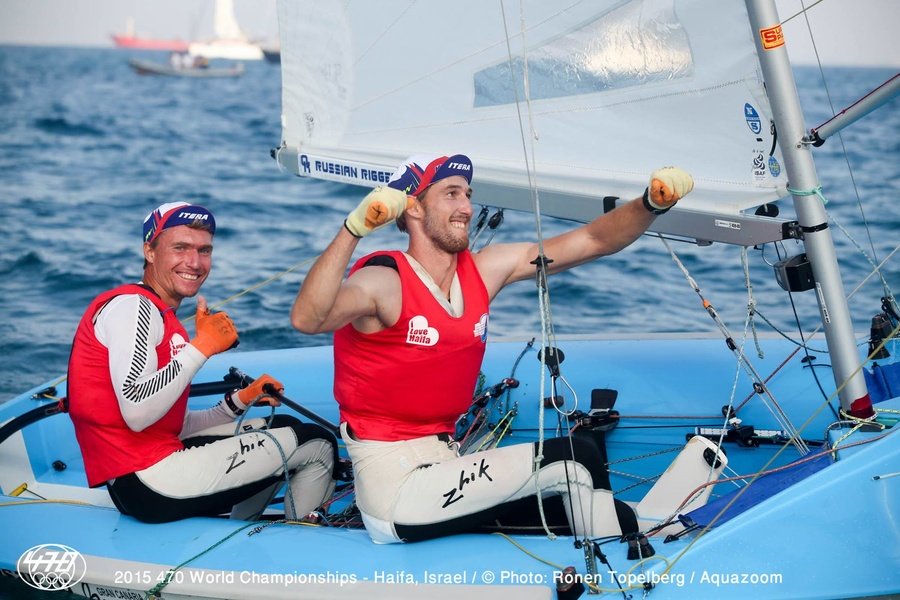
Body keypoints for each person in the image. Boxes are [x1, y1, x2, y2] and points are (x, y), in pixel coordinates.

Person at [291, 155, 693, 543]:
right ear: (413, 208)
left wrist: (650, 204)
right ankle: (620, 580)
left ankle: (638, 536)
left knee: (582, 511)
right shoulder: (384, 281)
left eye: (468, 194)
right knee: (578, 458)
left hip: (445, 471)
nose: (466, 206)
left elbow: (592, 239)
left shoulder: (483, 271)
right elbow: (309, 319)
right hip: (396, 494)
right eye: (451, 194)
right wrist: (353, 229)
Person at [68, 201, 337, 524]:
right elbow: (138, 412)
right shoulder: (134, 309)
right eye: (180, 248)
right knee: (318, 443)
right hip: (149, 481)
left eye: (204, 250)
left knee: (284, 427)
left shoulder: (158, 315)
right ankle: (301, 548)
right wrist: (202, 346)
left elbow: (172, 424)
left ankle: (242, 531)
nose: (194, 262)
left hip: (143, 475)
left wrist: (241, 401)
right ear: (149, 252)